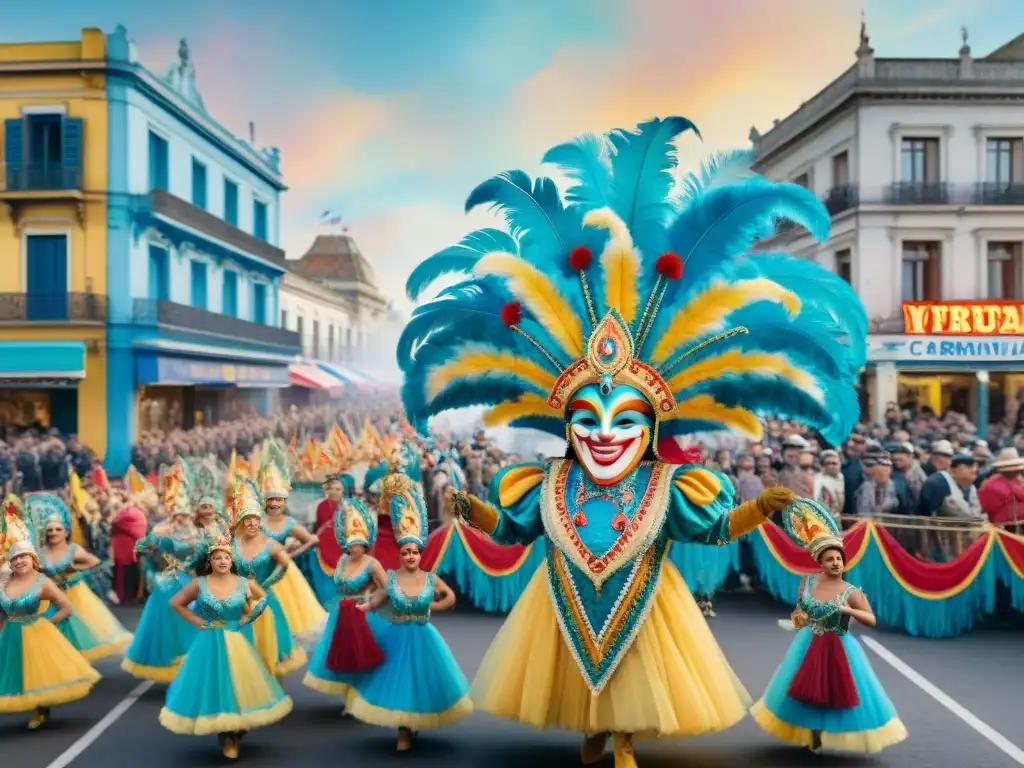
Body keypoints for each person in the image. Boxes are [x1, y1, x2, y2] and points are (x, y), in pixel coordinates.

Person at [398, 117, 866, 767]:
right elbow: (513, 529)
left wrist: (764, 509)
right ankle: (593, 728)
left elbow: (707, 530)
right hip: (566, 600)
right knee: (575, 671)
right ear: (566, 426)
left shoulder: (667, 484)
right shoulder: (552, 483)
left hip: (645, 603)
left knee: (635, 670)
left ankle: (622, 735)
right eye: (588, 421)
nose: (605, 435)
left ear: (651, 428)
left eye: (625, 423)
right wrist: (467, 510)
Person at [751, 499, 907, 754]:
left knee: (835, 690)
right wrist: (798, 618)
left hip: (840, 645)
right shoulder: (808, 582)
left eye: (839, 558)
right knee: (805, 688)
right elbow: (800, 609)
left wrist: (849, 610)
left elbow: (871, 619)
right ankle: (812, 735)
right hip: (809, 642)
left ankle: (824, 733)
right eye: (830, 559)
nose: (835, 563)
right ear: (821, 562)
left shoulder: (851, 591)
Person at [346, 470, 471, 751]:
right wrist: (362, 608)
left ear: (420, 554)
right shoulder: (391, 578)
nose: (411, 556)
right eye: (406, 552)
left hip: (424, 636)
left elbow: (449, 597)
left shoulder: (430, 577)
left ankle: (414, 722)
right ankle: (403, 730)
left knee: (421, 682)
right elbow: (378, 598)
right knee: (398, 682)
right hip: (397, 636)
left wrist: (433, 607)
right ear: (401, 555)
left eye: (415, 552)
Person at [160, 527, 292, 759]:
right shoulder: (199, 583)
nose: (222, 561)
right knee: (216, 685)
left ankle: (236, 732)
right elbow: (176, 603)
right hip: (210, 642)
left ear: (232, 560)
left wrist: (248, 617)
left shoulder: (243, 583)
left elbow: (263, 599)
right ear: (210, 561)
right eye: (217, 557)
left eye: (226, 557)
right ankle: (226, 734)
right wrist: (199, 622)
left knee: (239, 684)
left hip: (238, 640)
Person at [0, 500, 100, 730]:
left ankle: (40, 710)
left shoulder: (42, 583)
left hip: (36, 633)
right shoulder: (3, 582)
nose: (19, 561)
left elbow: (66, 607)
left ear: (32, 559)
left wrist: (46, 622)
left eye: (24, 556)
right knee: (12, 674)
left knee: (37, 674)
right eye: (15, 558)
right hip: (10, 634)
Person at [122, 464, 205, 683]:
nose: (182, 519)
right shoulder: (164, 531)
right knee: (169, 624)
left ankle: (194, 663)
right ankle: (172, 665)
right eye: (178, 515)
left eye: (185, 515)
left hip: (193, 581)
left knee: (195, 620)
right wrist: (156, 538)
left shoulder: (201, 533)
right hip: (170, 582)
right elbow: (140, 547)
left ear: (191, 515)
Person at [303, 495, 388, 700]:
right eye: (350, 544)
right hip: (341, 612)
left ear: (365, 544)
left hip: (362, 614)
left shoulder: (372, 564)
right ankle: (349, 695)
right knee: (344, 654)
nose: (353, 548)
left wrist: (371, 602)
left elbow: (386, 588)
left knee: (362, 655)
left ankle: (362, 695)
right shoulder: (342, 560)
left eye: (358, 544)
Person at [28, 492, 132, 656]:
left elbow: (95, 563)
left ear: (65, 532)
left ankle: (75, 662)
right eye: (50, 530)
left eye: (58, 529)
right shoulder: (41, 552)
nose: (53, 533)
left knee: (79, 631)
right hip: (50, 597)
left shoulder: (74, 550)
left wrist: (77, 575)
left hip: (75, 595)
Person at [229, 476, 306, 676]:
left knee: (268, 649)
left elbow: (285, 565)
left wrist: (265, 583)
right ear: (242, 522)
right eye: (248, 520)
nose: (252, 524)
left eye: (256, 520)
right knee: (237, 650)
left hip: (264, 599)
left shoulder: (270, 544)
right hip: (237, 600)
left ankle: (269, 688)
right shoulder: (234, 545)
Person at [256, 445, 327, 641]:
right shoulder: (258, 522)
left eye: (278, 500)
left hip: (283, 571)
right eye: (271, 500)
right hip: (261, 568)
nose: (275, 504)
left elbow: (312, 540)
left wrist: (291, 554)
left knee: (288, 611)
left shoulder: (289, 524)